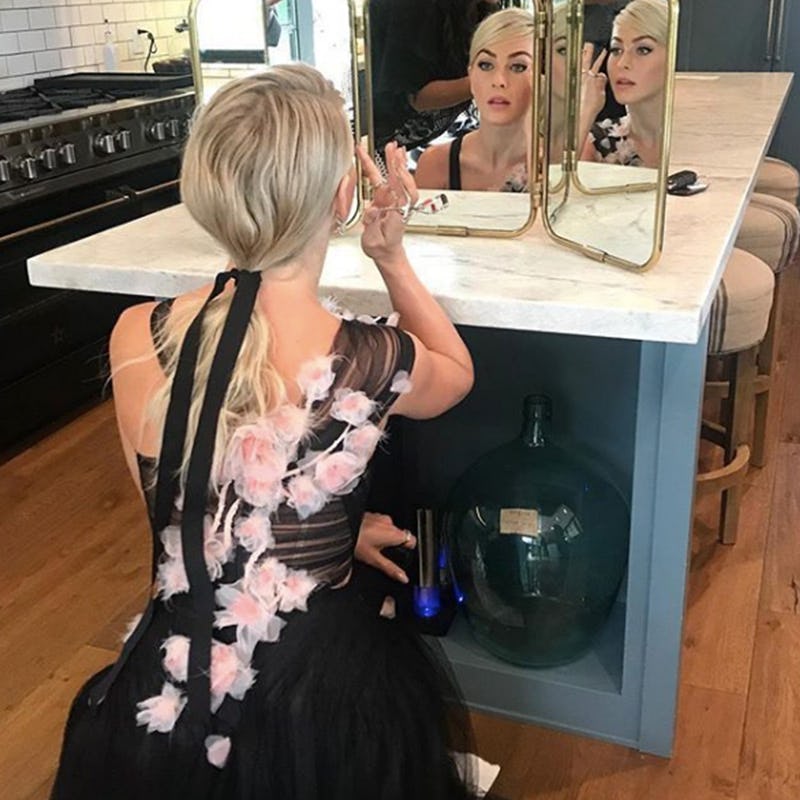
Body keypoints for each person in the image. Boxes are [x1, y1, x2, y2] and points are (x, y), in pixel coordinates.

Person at [50, 64, 482, 800]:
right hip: (319, 690)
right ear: (342, 195)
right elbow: (457, 374)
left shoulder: (137, 334)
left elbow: (185, 511)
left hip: (175, 676)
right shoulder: (372, 357)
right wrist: (390, 256)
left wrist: (326, 526)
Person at [414, 8, 535, 192]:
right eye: (486, 65)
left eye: (518, 67)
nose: (499, 81)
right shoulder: (435, 165)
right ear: (471, 75)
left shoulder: (558, 166)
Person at [369, 0, 503, 152]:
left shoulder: (478, 8)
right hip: (381, 139)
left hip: (420, 136)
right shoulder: (416, 7)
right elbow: (418, 97)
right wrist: (488, 80)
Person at [580, 0, 669, 167]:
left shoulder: (700, 141)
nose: (622, 63)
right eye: (616, 50)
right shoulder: (596, 142)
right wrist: (584, 112)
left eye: (643, 50)